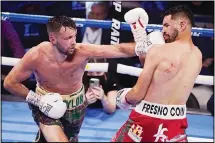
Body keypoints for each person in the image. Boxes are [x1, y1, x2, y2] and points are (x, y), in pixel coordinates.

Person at [3, 15, 137, 142]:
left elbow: (119, 50)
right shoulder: (36, 55)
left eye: (74, 36)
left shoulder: (82, 51)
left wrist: (146, 44)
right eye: (68, 38)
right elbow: (10, 82)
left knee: (69, 138)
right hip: (46, 107)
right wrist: (39, 101)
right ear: (53, 39)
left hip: (76, 106)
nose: (73, 42)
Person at [112, 5, 202, 142]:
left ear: (182, 24)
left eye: (166, 25)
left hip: (146, 120)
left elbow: (137, 94)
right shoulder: (198, 55)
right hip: (176, 123)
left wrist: (123, 98)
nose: (163, 31)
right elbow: (161, 79)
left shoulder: (159, 51)